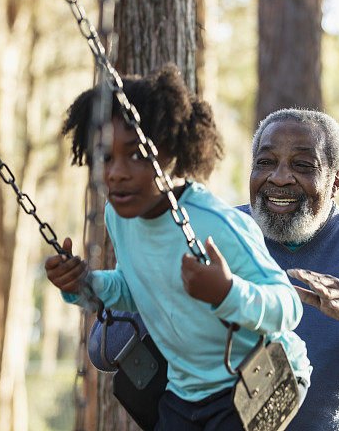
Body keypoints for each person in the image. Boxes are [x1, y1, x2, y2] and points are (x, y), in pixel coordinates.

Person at [84, 107, 339, 431]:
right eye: (265, 162)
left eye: (302, 165)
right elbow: (104, 350)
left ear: (335, 182)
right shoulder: (208, 231)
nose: (280, 177)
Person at [44, 66, 311, 430]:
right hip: (184, 392)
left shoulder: (214, 224)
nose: (116, 172)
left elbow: (288, 307)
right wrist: (82, 285)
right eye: (105, 156)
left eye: (136, 154)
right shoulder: (118, 217)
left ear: (170, 149)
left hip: (255, 380)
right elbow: (135, 289)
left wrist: (227, 292)